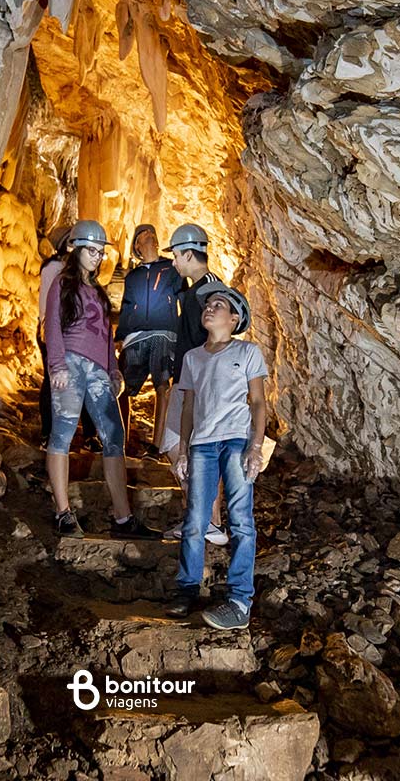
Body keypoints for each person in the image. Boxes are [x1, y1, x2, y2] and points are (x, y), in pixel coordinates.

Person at [45, 219, 161, 540]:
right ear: (76, 249)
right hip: (70, 360)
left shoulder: (97, 290)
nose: (97, 257)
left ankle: (123, 519)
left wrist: (113, 370)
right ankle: (63, 513)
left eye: (100, 252)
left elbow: (107, 336)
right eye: (91, 251)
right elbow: (52, 323)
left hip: (98, 369)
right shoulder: (62, 283)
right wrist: (56, 365)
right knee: (63, 433)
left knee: (114, 434)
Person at [165, 281, 267, 629]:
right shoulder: (192, 358)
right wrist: (182, 449)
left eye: (218, 304)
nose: (209, 308)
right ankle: (187, 589)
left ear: (234, 317)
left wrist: (256, 446)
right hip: (203, 445)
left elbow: (257, 402)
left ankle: (239, 600)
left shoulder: (248, 352)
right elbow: (189, 405)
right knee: (195, 519)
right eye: (207, 305)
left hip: (237, 440)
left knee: (241, 520)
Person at [160, 224, 228, 546]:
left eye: (175, 256)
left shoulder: (210, 290)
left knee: (199, 450)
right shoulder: (194, 291)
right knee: (176, 446)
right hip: (187, 381)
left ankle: (210, 522)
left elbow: (220, 337)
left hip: (201, 386)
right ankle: (197, 518)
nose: (174, 262)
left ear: (189, 253)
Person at [115, 224, 179, 456]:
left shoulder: (171, 268)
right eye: (143, 236)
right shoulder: (133, 277)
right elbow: (126, 306)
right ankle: (119, 441)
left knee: (163, 385)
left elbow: (183, 296)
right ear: (137, 247)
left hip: (164, 333)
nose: (149, 236)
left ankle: (157, 445)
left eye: (152, 233)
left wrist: (183, 332)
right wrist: (120, 336)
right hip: (136, 337)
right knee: (121, 388)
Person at [39, 226, 100, 451]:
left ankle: (89, 434)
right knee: (52, 382)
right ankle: (49, 433)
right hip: (55, 331)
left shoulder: (81, 273)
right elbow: (51, 305)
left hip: (78, 334)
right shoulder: (54, 268)